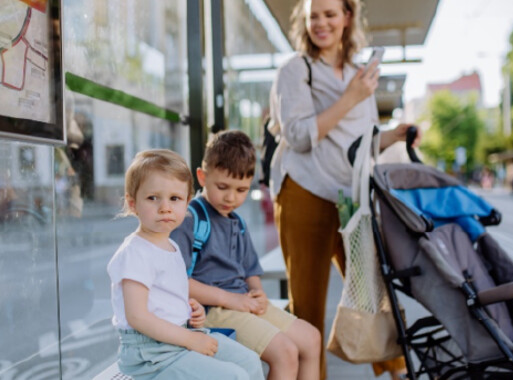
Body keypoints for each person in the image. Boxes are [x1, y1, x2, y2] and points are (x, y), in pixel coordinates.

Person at [268, 0, 420, 379]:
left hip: (351, 198)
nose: (321, 23)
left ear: (347, 17)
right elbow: (299, 136)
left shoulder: (358, 73)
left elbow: (361, 142)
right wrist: (351, 97)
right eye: (313, 15)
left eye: (330, 14)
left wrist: (393, 136)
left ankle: (397, 373)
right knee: (307, 307)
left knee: (373, 291)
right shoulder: (295, 69)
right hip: (305, 190)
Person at [171, 130, 321, 380]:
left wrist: (258, 293)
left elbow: (250, 269)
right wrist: (233, 300)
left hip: (242, 303)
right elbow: (177, 282)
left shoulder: (237, 222)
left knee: (311, 339)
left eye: (241, 190)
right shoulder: (191, 218)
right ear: (202, 176)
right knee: (285, 353)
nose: (231, 197)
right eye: (222, 187)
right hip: (210, 310)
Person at [107, 149, 265, 380]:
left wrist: (190, 309)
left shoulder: (171, 245)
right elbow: (137, 316)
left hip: (179, 335)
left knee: (249, 362)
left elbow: (163, 297)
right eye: (153, 198)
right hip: (150, 353)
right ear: (133, 203)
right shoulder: (135, 253)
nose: (165, 207)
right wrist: (191, 339)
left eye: (175, 198)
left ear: (187, 203)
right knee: (233, 376)